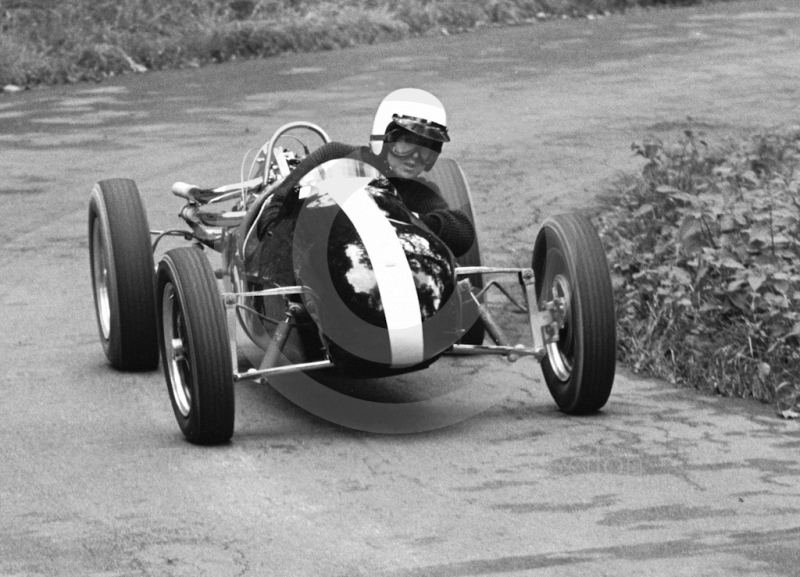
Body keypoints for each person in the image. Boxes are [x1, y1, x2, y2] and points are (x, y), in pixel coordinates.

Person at [252, 88, 476, 284]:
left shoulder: (418, 192)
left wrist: (409, 218)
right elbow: (276, 205)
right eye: (405, 144)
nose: (415, 158)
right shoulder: (335, 156)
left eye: (427, 150)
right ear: (383, 137)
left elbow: (462, 231)